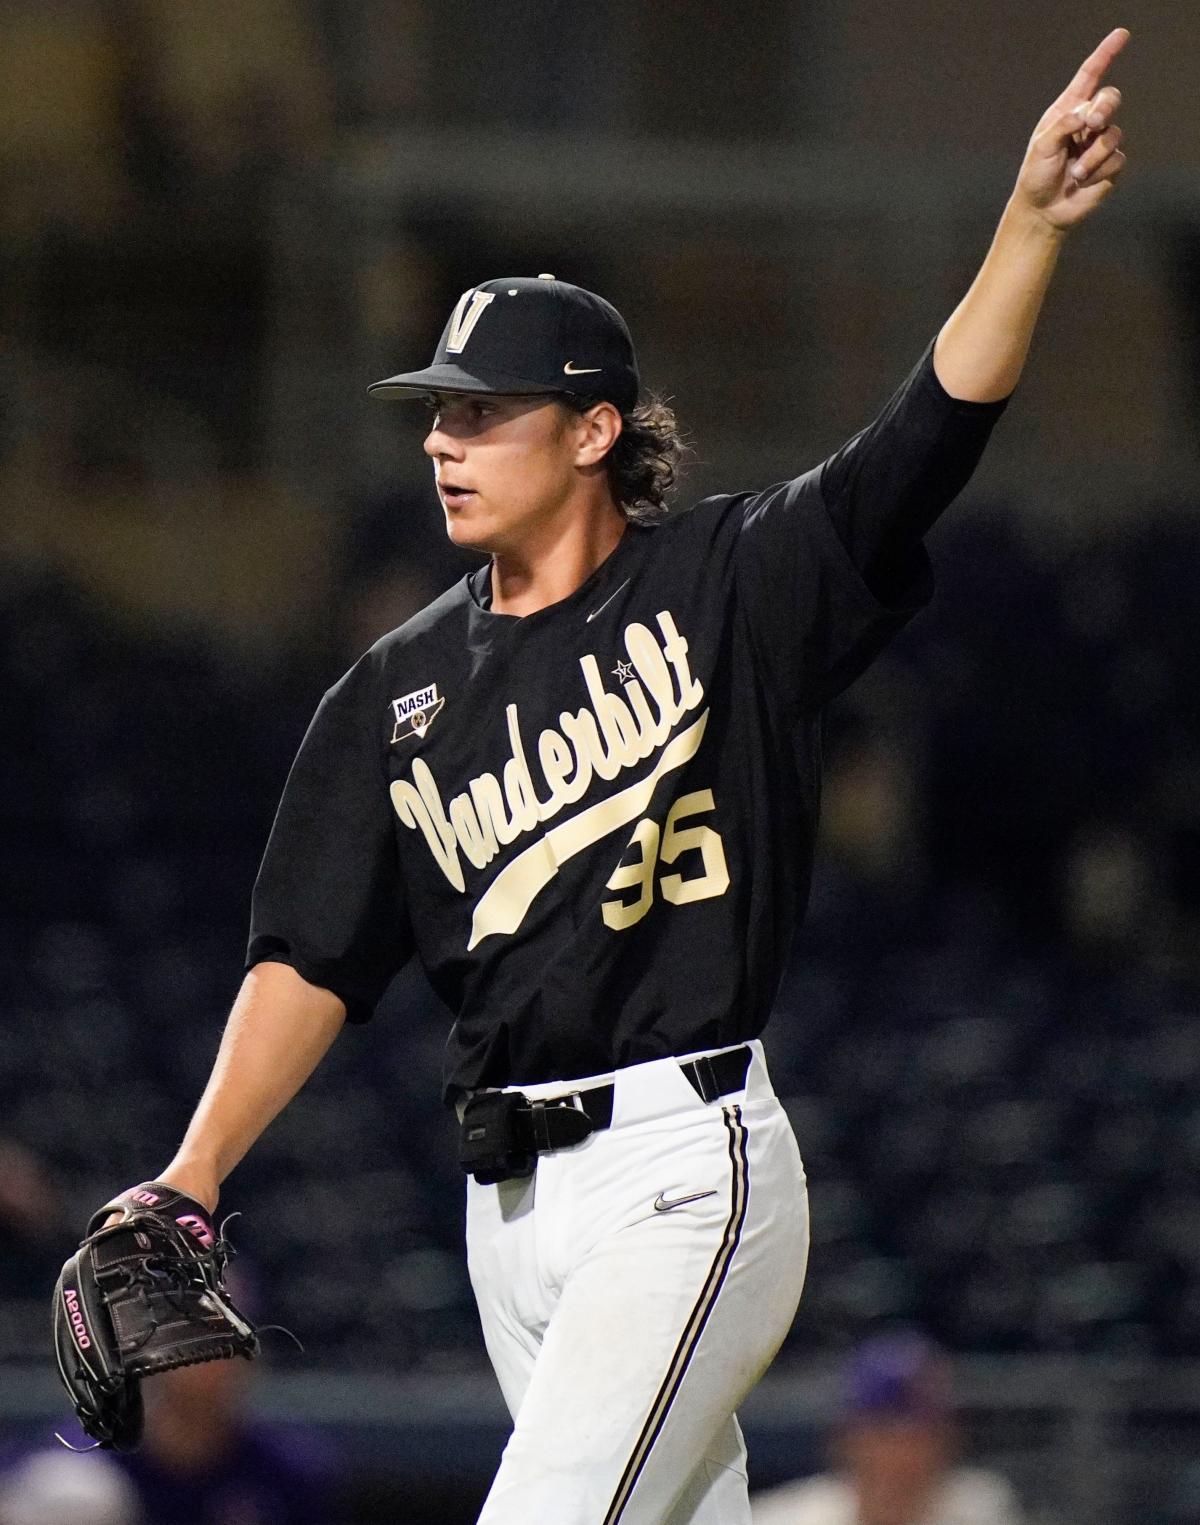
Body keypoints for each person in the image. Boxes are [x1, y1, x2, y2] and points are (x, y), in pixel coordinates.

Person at [109, 29, 1129, 1523]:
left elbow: (921, 443)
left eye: (483, 412)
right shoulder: (391, 692)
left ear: (594, 429)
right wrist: (192, 1171)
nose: (446, 442)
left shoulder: (727, 584)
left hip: (680, 1167)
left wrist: (1026, 230)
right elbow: (309, 954)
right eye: (439, 413)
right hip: (504, 1217)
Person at [749, 1331, 1025, 1525]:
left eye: (916, 1438)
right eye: (883, 1436)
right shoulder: (783, 1518)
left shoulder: (984, 1511)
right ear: (845, 1440)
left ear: (947, 1442)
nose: (899, 1457)